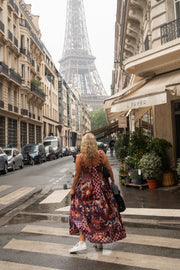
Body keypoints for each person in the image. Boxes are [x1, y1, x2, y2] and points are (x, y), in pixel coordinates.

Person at [69, 133, 126, 253]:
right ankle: (99, 242)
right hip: (102, 186)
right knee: (100, 213)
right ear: (94, 143)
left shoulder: (80, 157)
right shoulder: (101, 154)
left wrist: (73, 189)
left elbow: (77, 175)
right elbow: (109, 169)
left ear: (83, 144)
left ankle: (81, 242)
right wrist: (113, 181)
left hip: (86, 189)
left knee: (81, 213)